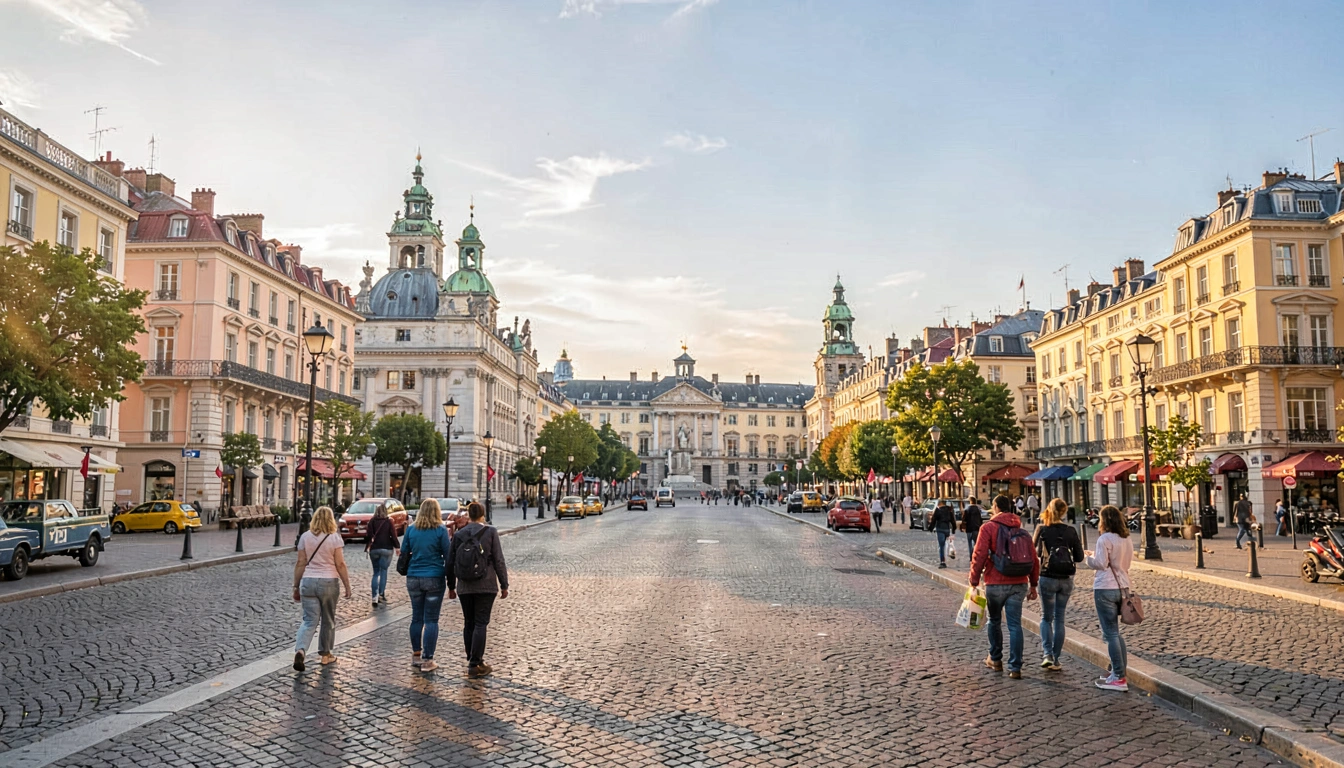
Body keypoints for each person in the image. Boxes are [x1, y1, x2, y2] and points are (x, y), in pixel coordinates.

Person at [969, 495, 1039, 679]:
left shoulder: (988, 528)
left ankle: (995, 658)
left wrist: (974, 580)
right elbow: (1033, 558)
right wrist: (1033, 584)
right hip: (1019, 583)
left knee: (994, 621)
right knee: (1015, 625)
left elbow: (979, 555)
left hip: (995, 582)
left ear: (996, 507)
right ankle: (1015, 667)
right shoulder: (1021, 529)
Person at [448, 501, 510, 677]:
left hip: (465, 586)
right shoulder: (490, 532)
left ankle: (471, 658)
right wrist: (504, 584)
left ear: (469, 514)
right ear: (482, 515)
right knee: (481, 623)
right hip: (487, 584)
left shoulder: (459, 534)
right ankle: (476, 663)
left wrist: (451, 586)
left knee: (469, 622)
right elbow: (498, 560)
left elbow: (451, 562)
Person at [292, 506, 353, 671]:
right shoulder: (335, 538)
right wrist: (347, 585)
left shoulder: (305, 537)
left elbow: (300, 563)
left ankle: (300, 650)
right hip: (328, 582)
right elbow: (340, 564)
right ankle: (326, 655)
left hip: (308, 582)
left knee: (309, 620)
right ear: (331, 520)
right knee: (327, 619)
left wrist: (296, 586)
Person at [1083, 505, 1134, 692]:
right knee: (1116, 632)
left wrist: (1088, 558)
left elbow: (1101, 564)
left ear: (1104, 520)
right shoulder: (1126, 538)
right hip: (1123, 585)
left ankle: (1118, 677)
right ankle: (1119, 671)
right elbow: (1126, 562)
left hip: (1105, 587)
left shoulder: (1104, 539)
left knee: (1110, 633)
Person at [1033, 498, 1083, 671]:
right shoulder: (1071, 530)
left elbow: (1035, 553)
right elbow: (1079, 557)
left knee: (1047, 617)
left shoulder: (1042, 529)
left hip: (1047, 576)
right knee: (1060, 619)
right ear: (1064, 512)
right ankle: (1056, 659)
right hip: (1066, 579)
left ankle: (1047, 654)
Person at [403, 499, 452, 672]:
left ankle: (416, 655)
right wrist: (451, 581)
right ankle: (428, 659)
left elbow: (404, 552)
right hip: (434, 577)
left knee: (416, 617)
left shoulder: (411, 530)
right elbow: (448, 555)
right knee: (431, 620)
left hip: (414, 576)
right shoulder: (440, 530)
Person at [364, 503, 400, 608]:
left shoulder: (371, 521)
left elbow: (368, 536)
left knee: (376, 572)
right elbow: (393, 535)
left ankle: (374, 596)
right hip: (386, 549)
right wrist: (397, 547)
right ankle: (381, 593)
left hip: (374, 549)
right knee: (383, 571)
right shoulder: (389, 521)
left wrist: (368, 546)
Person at [930, 498, 957, 569]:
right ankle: (950, 553)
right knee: (948, 544)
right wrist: (954, 529)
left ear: (940, 503)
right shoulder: (949, 510)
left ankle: (943, 562)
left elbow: (934, 519)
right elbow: (952, 520)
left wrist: (931, 528)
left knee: (941, 546)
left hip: (940, 529)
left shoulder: (938, 510)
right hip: (947, 529)